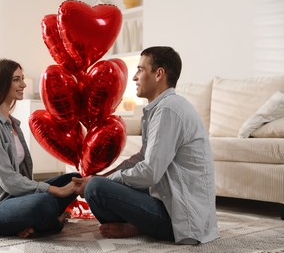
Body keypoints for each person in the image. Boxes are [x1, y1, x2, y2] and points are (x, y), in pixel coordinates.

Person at [73, 46, 219, 244]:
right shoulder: (162, 108)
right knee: (96, 182)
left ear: (159, 74)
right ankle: (135, 224)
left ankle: (137, 225)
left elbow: (149, 172)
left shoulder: (168, 110)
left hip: (181, 222)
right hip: (169, 200)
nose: (134, 77)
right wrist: (102, 176)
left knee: (96, 189)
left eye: (140, 69)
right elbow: (142, 157)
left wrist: (102, 182)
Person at [0, 59, 80, 238]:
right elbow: (8, 179)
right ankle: (50, 222)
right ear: (1, 83)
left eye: (22, 78)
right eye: (17, 79)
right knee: (44, 203)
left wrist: (55, 189)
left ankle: (33, 222)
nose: (23, 84)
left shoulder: (12, 123)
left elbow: (22, 176)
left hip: (16, 198)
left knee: (74, 180)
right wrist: (54, 190)